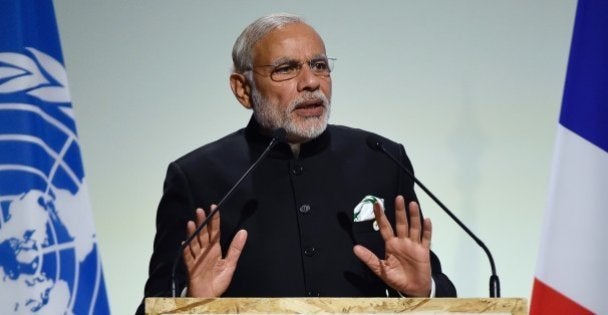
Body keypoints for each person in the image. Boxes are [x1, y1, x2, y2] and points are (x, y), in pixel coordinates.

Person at [137, 13, 456, 314]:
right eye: (286, 68)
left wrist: (421, 291)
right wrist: (193, 302)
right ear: (243, 89)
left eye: (319, 65)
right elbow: (152, 305)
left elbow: (439, 292)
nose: (311, 82)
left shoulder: (380, 158)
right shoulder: (198, 177)